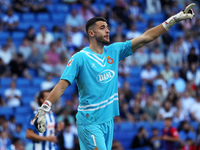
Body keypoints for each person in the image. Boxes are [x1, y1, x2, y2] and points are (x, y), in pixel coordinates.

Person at [32, 4, 195, 150]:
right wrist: (44, 109)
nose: (108, 30)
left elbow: (146, 37)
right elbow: (62, 85)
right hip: (90, 121)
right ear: (91, 33)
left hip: (107, 120)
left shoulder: (114, 51)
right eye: (102, 27)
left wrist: (174, 19)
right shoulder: (79, 58)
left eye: (108, 27)